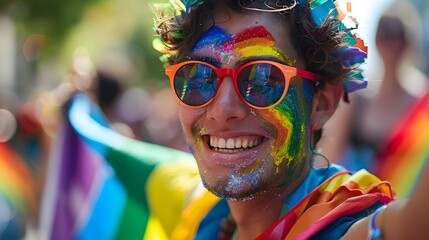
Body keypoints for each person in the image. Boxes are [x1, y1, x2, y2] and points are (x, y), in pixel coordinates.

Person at [40, 0, 429, 239]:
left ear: (322, 104)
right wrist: (81, 115)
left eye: (262, 78)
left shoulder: (340, 229)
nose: (224, 107)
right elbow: (117, 156)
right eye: (199, 78)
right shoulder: (201, 208)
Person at [319, 0, 429, 198]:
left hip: (407, 214)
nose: (391, 41)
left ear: (410, 39)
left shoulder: (424, 102)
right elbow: (326, 163)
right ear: (375, 39)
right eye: (384, 31)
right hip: (360, 214)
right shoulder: (357, 99)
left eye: (398, 33)